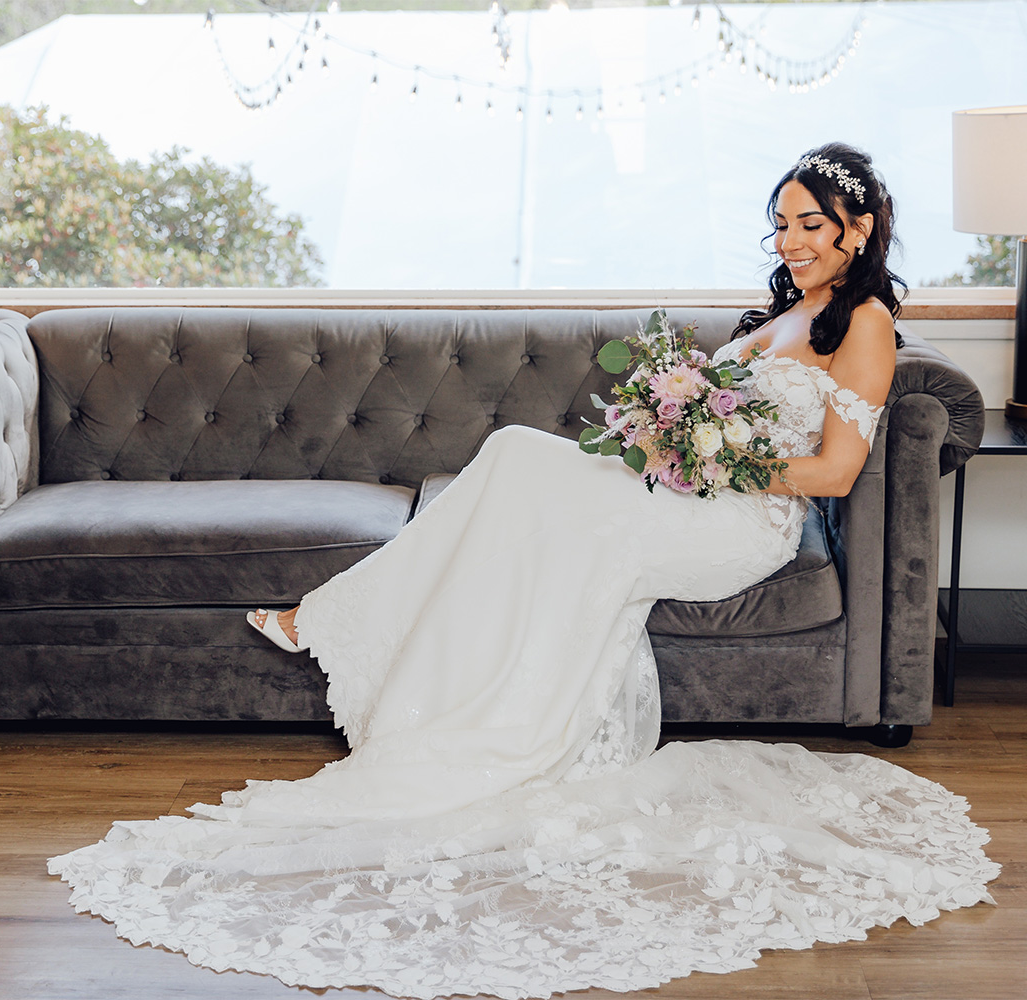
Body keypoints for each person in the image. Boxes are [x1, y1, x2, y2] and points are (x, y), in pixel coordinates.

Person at [49, 144, 998, 998]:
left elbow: (835, 469)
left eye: (812, 226)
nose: (792, 242)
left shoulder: (864, 324)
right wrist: (664, 429)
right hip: (695, 487)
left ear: (860, 227)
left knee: (519, 461)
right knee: (514, 457)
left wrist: (716, 460)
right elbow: (709, 408)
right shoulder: (794, 307)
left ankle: (338, 624)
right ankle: (354, 629)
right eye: (783, 224)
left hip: (742, 521)